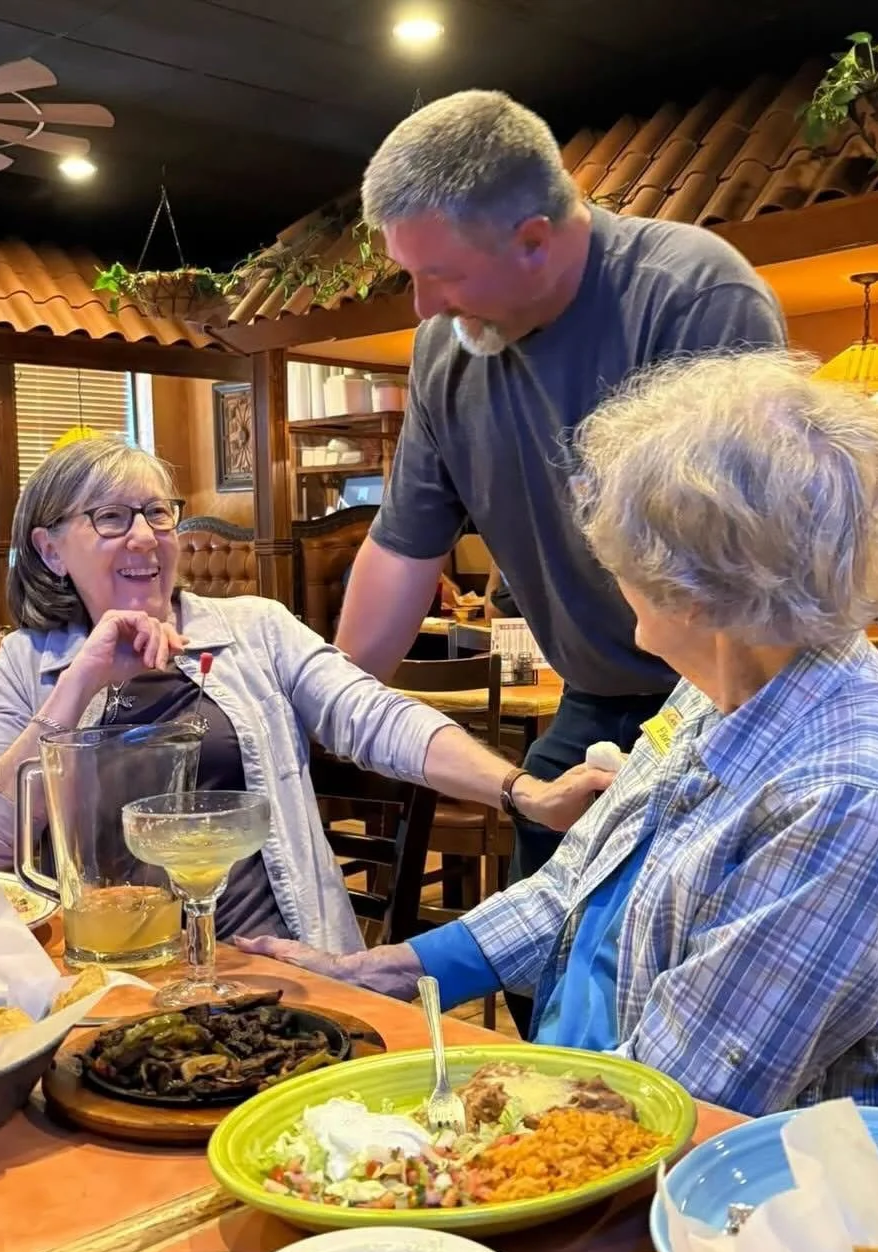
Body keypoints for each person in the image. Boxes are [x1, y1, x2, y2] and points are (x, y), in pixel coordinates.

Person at [239, 351, 878, 1117]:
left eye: (623, 553)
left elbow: (675, 1102)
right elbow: (573, 884)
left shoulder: (851, 794)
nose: (609, 571)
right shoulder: (717, 683)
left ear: (693, 589)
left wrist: (447, 1126)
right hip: (579, 1100)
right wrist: (383, 972)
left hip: (695, 1176)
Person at [332, 90, 788, 905]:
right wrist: (326, 712)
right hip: (593, 699)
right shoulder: (445, 350)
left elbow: (744, 575)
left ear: (534, 240)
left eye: (441, 275)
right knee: (536, 936)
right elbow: (402, 549)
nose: (424, 305)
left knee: (652, 953)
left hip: (733, 702)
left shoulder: (691, 298)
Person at [0, 437, 611, 951]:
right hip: (115, 965)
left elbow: (373, 715)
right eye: (111, 517)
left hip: (275, 959)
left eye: (157, 512)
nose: (144, 536)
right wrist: (81, 683)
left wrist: (523, 791)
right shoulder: (29, 663)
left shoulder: (256, 629)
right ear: (51, 550)